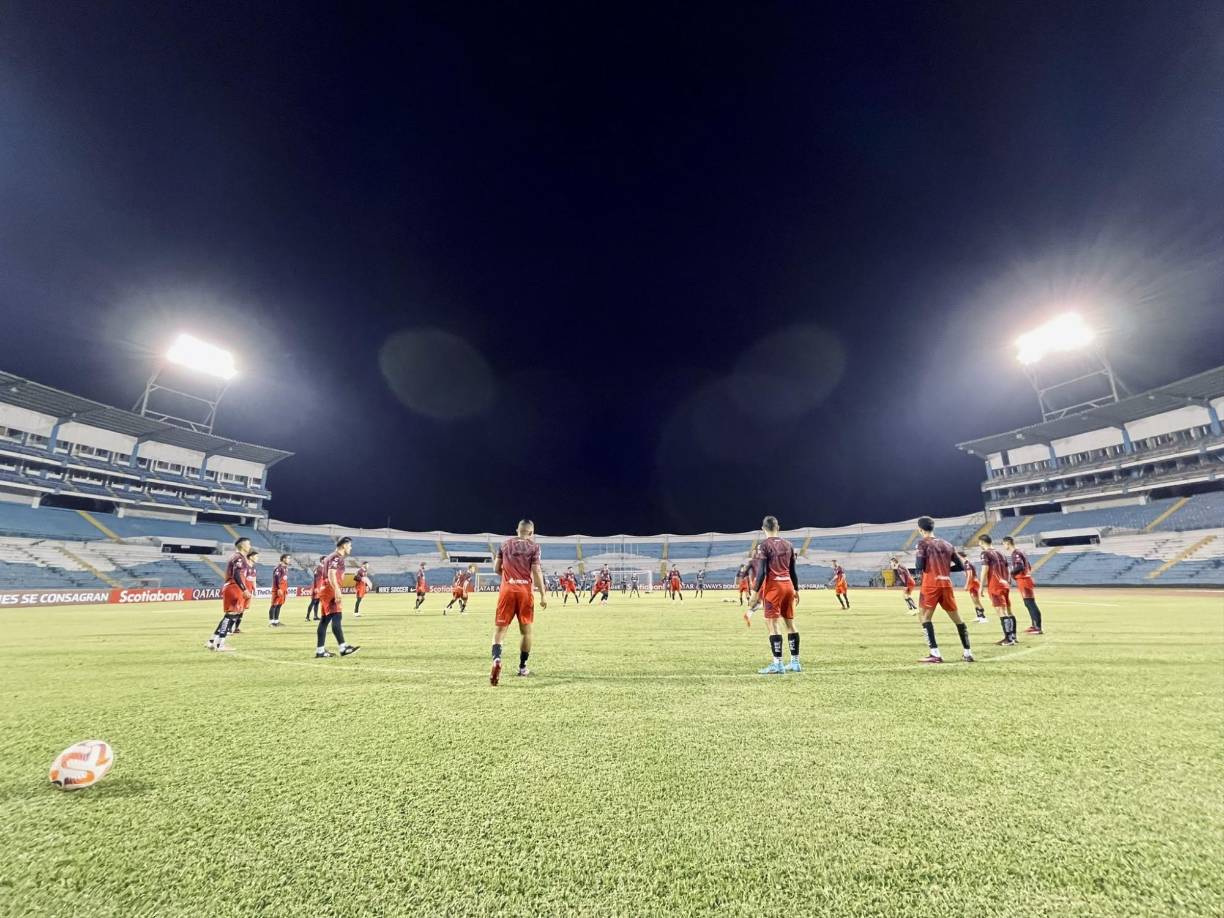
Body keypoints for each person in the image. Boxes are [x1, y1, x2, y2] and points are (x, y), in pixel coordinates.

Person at [490, 519, 547, 685]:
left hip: (507, 590)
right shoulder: (534, 547)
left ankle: (497, 659)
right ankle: (522, 667)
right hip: (524, 591)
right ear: (531, 532)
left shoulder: (504, 544)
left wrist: (509, 578)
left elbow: (496, 569)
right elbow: (536, 571)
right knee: (526, 632)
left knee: (500, 631)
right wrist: (543, 594)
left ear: (517, 530)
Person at [913, 517, 974, 664]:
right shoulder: (947, 544)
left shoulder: (922, 543)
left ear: (920, 530)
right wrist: (945, 569)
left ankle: (935, 654)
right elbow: (960, 566)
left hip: (931, 584)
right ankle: (968, 653)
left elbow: (919, 565)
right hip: (946, 584)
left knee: (924, 618)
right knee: (958, 619)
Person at [748, 516, 801, 673]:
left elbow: (762, 572)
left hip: (774, 588)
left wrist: (754, 593)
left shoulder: (763, 546)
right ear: (778, 527)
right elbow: (792, 571)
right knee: (790, 624)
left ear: (763, 529)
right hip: (788, 586)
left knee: (772, 624)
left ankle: (777, 664)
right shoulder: (789, 545)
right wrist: (796, 589)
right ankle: (795, 663)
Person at [316, 537, 359, 658]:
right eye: (349, 545)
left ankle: (320, 651)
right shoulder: (336, 557)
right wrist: (337, 589)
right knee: (337, 616)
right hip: (330, 589)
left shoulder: (330, 556)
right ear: (344, 545)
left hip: (325, 589)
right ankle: (343, 647)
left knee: (324, 621)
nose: (351, 548)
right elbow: (331, 573)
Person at [208, 537, 253, 652]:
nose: (250, 546)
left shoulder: (236, 557)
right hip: (234, 587)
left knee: (230, 615)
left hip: (232, 587)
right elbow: (236, 574)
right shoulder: (239, 558)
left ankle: (213, 641)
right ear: (242, 546)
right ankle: (220, 644)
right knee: (231, 615)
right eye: (248, 544)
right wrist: (244, 589)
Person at [978, 535, 1018, 645]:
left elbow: (984, 569)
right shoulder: (1001, 553)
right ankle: (1013, 636)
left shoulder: (985, 553)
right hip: (1005, 584)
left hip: (995, 585)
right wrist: (1008, 582)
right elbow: (1009, 569)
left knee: (1001, 611)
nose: (979, 545)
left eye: (979, 543)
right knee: (1008, 611)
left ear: (982, 542)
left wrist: (981, 586)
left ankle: (1008, 639)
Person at [1003, 536, 1044, 634]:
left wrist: (1011, 573)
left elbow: (1020, 566)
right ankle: (1034, 625)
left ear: (1008, 543)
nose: (1004, 546)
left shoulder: (1016, 553)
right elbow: (1028, 565)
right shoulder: (1020, 552)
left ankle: (1038, 627)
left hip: (1024, 580)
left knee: (1030, 603)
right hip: (1024, 579)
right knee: (1028, 603)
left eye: (1004, 544)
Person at [958, 552, 987, 623]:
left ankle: (983, 618)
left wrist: (966, 584)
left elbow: (970, 575)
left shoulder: (967, 564)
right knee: (975, 601)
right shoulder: (966, 563)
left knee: (976, 601)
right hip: (973, 583)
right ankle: (979, 616)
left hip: (973, 583)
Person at [268, 553, 290, 626]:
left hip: (283, 589)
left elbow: (284, 579)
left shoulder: (285, 568)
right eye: (288, 558)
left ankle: (276, 621)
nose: (289, 560)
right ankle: (271, 622)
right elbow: (276, 578)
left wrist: (286, 589)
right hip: (278, 589)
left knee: (279, 605)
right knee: (274, 605)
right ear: (283, 559)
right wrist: (279, 588)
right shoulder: (278, 568)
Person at [305, 555, 325, 622]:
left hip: (320, 588)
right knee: (313, 602)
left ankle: (315, 616)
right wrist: (316, 587)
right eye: (324, 559)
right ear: (321, 560)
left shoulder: (323, 568)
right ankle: (307, 617)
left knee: (317, 602)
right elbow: (315, 578)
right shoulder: (318, 568)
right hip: (316, 588)